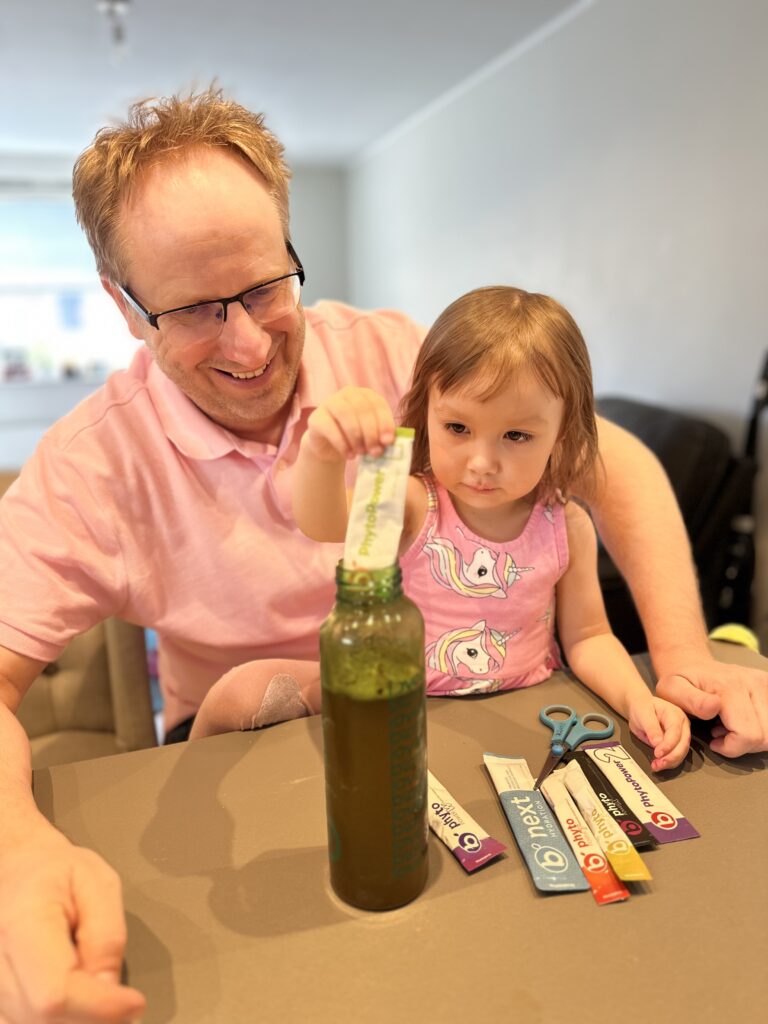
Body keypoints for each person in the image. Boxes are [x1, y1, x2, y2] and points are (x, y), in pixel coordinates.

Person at [0, 87, 764, 1023]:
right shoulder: (88, 466)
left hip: (451, 709)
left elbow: (612, 465)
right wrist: (15, 849)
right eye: (196, 309)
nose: (250, 342)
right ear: (126, 308)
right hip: (247, 742)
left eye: (266, 287)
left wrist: (683, 660)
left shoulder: (398, 354)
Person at [194, 286, 691, 772]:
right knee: (241, 692)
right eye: (458, 428)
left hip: (522, 718)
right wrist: (321, 451)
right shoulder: (413, 502)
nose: (482, 462)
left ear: (562, 436)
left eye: (516, 435)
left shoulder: (567, 524)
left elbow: (588, 637)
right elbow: (322, 523)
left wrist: (638, 700)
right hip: (396, 710)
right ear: (426, 414)